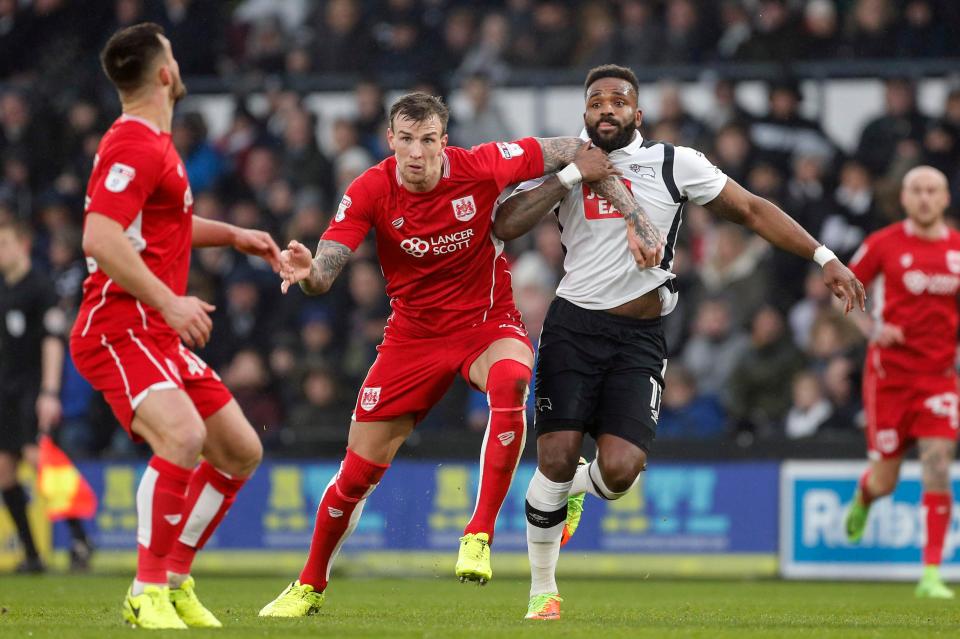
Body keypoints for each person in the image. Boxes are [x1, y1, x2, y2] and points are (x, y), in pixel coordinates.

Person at [258, 91, 658, 618]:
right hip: (411, 338)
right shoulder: (370, 188)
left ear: (444, 142)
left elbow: (577, 152)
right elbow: (328, 267)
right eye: (406, 140)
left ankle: (479, 532)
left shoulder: (481, 165)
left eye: (428, 140)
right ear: (391, 142)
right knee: (355, 475)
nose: (417, 153)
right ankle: (309, 584)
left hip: (485, 323)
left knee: (513, 376)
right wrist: (308, 273)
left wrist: (634, 216)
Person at [493, 64, 864, 621]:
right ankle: (542, 591)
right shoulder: (565, 163)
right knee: (554, 457)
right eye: (596, 102)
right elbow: (505, 224)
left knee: (619, 473)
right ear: (586, 114)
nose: (607, 109)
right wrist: (569, 175)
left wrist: (824, 257)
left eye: (619, 101)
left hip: (639, 335)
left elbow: (752, 210)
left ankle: (576, 491)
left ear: (637, 114)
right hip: (572, 328)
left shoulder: (674, 163)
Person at [69, 23, 281, 629]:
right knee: (183, 438)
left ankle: (177, 577)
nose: (179, 65)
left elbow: (157, 230)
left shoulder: (154, 145)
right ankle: (147, 588)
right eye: (174, 56)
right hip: (118, 326)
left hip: (152, 328)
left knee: (240, 450)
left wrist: (234, 236)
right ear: (164, 74)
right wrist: (170, 300)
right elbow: (100, 236)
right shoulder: (134, 143)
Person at [844, 166, 959, 599]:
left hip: (939, 380)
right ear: (905, 198)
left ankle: (931, 572)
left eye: (933, 190)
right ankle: (865, 497)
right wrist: (873, 329)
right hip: (890, 379)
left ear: (946, 198)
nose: (926, 198)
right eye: (917, 191)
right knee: (886, 481)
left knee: (938, 465)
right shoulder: (883, 244)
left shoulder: (957, 249)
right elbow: (846, 294)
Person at [0, 221, 93, 573]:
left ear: (22, 244)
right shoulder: (2, 288)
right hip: (6, 389)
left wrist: (49, 392)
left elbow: (54, 340)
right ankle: (32, 555)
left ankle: (80, 539)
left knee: (38, 458)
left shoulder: (40, 287)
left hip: (34, 387)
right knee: (4, 470)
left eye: (5, 242)